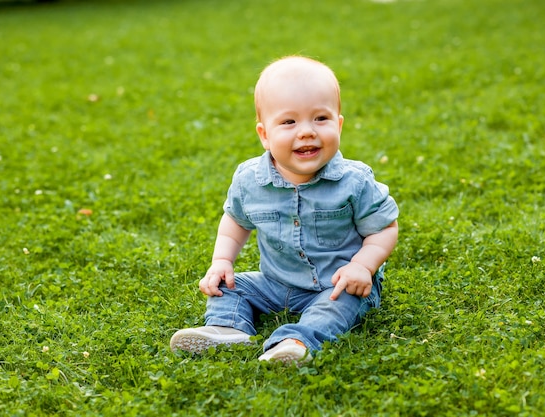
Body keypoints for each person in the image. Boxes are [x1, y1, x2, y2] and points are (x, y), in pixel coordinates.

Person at [170, 56, 399, 363]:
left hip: (337, 283)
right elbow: (235, 221)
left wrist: (362, 265)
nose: (306, 131)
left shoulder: (354, 181)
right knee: (229, 287)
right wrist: (222, 260)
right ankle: (227, 327)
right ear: (264, 135)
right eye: (289, 122)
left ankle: (296, 341)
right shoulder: (250, 180)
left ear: (339, 124)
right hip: (276, 283)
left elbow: (384, 227)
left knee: (343, 301)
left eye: (321, 118)